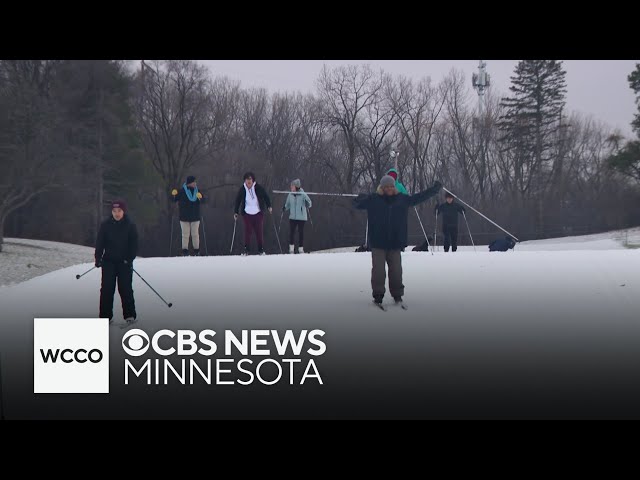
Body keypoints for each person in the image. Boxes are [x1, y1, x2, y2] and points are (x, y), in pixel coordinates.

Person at [354, 175, 442, 307]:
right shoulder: (374, 199)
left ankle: (397, 295)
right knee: (378, 271)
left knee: (396, 271)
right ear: (381, 188)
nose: (389, 189)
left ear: (394, 187)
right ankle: (378, 295)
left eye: (391, 186)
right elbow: (357, 204)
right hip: (378, 242)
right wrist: (360, 197)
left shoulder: (402, 199)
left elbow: (419, 197)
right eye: (386, 187)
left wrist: (434, 189)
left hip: (395, 242)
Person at [95, 200, 138, 326]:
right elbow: (100, 243)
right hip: (108, 262)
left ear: (123, 211)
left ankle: (129, 315)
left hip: (124, 262)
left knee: (125, 288)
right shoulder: (106, 225)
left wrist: (129, 259)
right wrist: (98, 258)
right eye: (114, 211)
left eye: (119, 211)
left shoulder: (130, 225)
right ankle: (105, 316)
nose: (117, 214)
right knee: (107, 289)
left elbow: (134, 245)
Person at [234, 172, 272, 255]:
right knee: (248, 232)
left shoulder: (258, 188)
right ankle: (246, 250)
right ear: (245, 180)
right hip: (247, 214)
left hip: (258, 213)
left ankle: (261, 250)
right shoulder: (242, 189)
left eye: (250, 179)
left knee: (259, 232)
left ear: (253, 180)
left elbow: (266, 196)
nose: (248, 181)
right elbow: (238, 200)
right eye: (247, 179)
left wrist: (269, 206)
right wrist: (236, 212)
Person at [172, 175, 205, 256]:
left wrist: (201, 198)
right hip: (184, 217)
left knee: (195, 234)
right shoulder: (181, 191)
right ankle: (185, 251)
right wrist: (173, 195)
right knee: (185, 235)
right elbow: (174, 199)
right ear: (189, 183)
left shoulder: (197, 191)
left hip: (195, 217)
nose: (195, 183)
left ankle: (197, 250)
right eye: (194, 182)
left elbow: (203, 201)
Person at [283, 178, 312, 254]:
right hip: (292, 217)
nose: (291, 188)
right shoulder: (290, 195)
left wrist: (307, 204)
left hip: (301, 217)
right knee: (292, 232)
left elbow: (309, 203)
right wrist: (284, 208)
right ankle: (291, 249)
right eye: (291, 186)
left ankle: (301, 249)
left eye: (292, 186)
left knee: (300, 233)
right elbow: (288, 204)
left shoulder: (303, 194)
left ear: (296, 187)